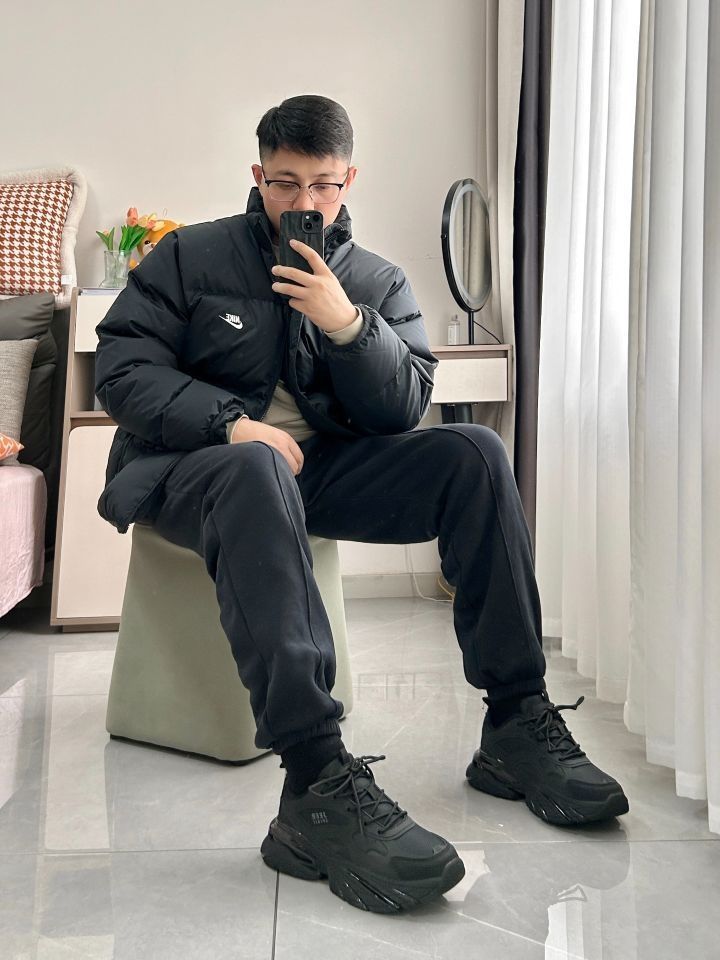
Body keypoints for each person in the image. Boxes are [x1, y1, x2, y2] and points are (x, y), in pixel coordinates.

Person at [94, 94, 628, 915]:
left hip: (315, 474)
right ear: (257, 175)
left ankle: (517, 722)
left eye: (323, 185)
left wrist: (348, 326)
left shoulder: (376, 280)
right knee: (254, 469)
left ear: (349, 181)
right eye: (284, 182)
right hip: (196, 471)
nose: (302, 202)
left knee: (475, 454)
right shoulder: (189, 256)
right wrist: (230, 424)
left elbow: (403, 407)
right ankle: (314, 780)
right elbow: (121, 369)